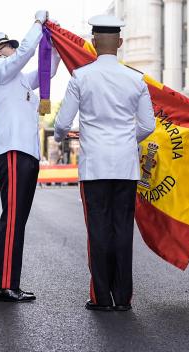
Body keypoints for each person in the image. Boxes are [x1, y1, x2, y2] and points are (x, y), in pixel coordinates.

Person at [54, 14, 155, 311]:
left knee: (98, 231)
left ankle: (101, 297)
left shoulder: (81, 77)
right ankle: (123, 299)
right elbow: (148, 125)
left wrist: (64, 135)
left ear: (94, 42)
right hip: (125, 166)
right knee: (123, 230)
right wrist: (126, 139)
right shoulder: (136, 79)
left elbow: (61, 123)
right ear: (120, 43)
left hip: (95, 166)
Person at [0, 10, 61, 302]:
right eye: (9, 46)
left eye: (14, 45)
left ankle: (9, 282)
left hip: (26, 152)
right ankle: (4, 285)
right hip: (12, 151)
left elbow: (47, 71)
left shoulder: (19, 80)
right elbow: (25, 52)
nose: (15, 48)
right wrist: (38, 24)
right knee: (12, 219)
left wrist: (57, 43)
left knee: (18, 220)